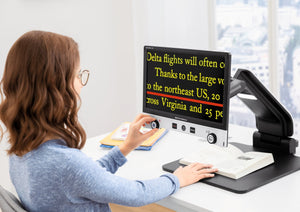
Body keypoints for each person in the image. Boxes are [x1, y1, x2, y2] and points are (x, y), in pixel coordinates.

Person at [0, 31, 218, 212]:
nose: (81, 84)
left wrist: (125, 147)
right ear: (55, 86)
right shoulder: (67, 164)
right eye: (77, 75)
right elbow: (135, 194)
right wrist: (178, 178)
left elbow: (86, 180)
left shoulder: (22, 151)